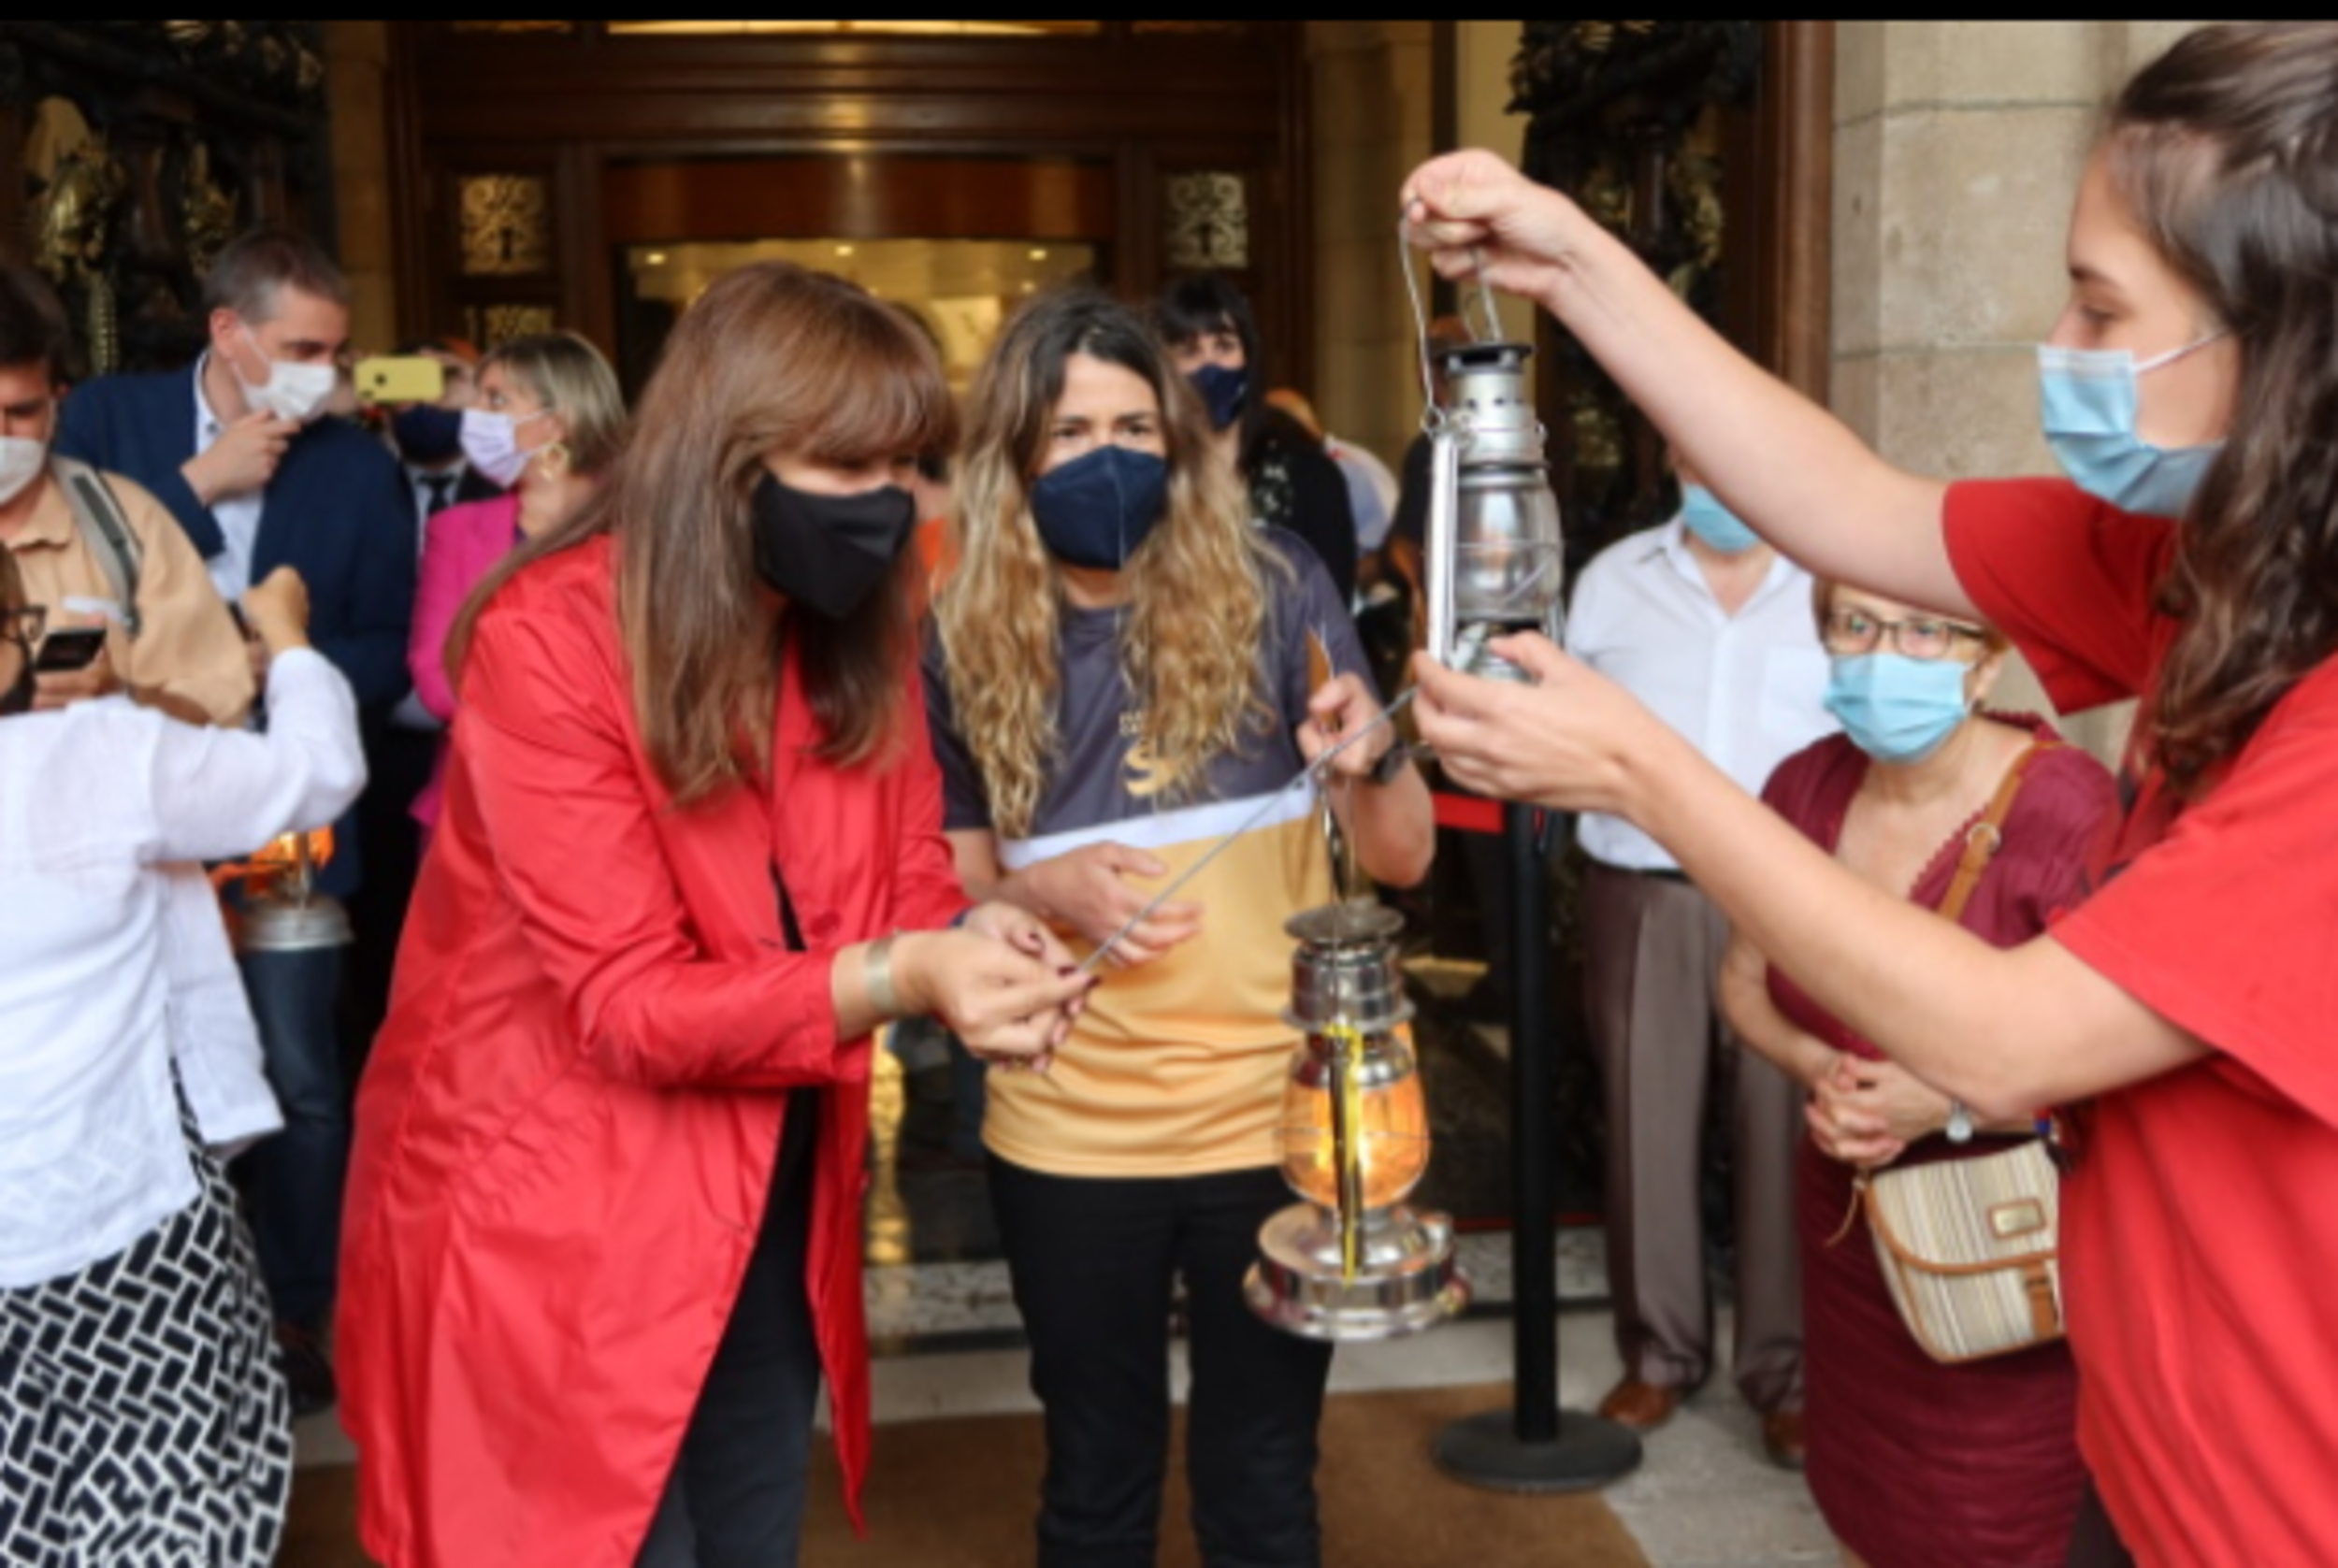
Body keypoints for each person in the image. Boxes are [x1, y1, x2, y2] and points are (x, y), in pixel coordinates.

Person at [1404, 22, 2338, 1565]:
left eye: (2104, 304)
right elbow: (1850, 500)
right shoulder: (2217, 566)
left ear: (2287, 343)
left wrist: (1640, 762)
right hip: (2152, 1445)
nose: (2059, 337)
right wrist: (1568, 262)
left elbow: (2007, 1031)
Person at [336, 261, 1091, 1568]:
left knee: (747, 1532)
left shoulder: (859, 619)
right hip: (553, 1208)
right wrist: (906, 974)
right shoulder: (550, 637)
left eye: (908, 466)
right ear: (727, 457)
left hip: (767, 1182)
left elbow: (907, 864)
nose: (891, 507)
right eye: (850, 467)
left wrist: (974, 936)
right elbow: (629, 1006)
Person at [926, 285, 1435, 1567]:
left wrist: (1368, 762)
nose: (1109, 458)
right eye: (1070, 431)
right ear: (1012, 456)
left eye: (1137, 429)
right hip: (1066, 1123)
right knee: (1094, 1471)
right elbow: (953, 874)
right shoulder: (954, 630)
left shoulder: (1279, 583)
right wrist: (1041, 889)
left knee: (1263, 1476)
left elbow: (1406, 855)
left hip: (1271, 1114)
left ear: (1180, 442)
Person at [55, 224, 416, 1417]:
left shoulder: (360, 468)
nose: (326, 370)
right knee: (137, 1082)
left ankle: (292, 1314)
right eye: (302, 347)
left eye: (339, 349)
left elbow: (380, 646)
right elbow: (50, 592)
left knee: (304, 1078)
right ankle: (154, 1321)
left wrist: (279, 674)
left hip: (284, 823)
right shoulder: (104, 424)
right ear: (228, 334)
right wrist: (200, 493)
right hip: (116, 821)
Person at [1724, 579, 2110, 1566]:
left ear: (1985, 661)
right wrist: (1828, 1073)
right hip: (1853, 1224)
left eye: (1923, 630)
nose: (1882, 652)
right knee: (1868, 1503)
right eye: (1853, 624)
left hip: (2009, 1241)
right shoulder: (1802, 789)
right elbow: (1742, 984)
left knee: (1995, 1520)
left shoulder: (2067, 808)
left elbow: (2118, 1054)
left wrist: (1942, 1098)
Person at [0, 551, 364, 1563]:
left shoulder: (96, 750)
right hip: (126, 1222)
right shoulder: (98, 758)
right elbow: (315, 775)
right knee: (162, 1496)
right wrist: (286, 640)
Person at [1564, 452, 1836, 1465]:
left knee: (1784, 1130)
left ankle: (1788, 1373)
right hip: (1645, 895)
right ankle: (1660, 1354)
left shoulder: (1828, 583)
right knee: (1646, 1119)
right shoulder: (1610, 583)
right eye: (1694, 455)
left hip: (1791, 902)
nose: (1720, 477)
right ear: (1669, 459)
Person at [0, 262, 253, 729]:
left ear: (58, 402)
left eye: (21, 412)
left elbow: (221, 702)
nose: (2, 434)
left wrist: (122, 699)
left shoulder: (126, 524)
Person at [407, 329, 625, 834]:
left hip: (602, 811)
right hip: (474, 813)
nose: (475, 415)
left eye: (497, 400)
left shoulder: (634, 525)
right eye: (478, 396)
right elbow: (436, 678)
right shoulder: (456, 530)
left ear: (557, 421)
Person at [1153, 272, 1360, 604]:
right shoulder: (1145, 475)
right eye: (1189, 350)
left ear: (1248, 357)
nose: (1210, 365)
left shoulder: (1308, 476)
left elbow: (1332, 610)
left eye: (1224, 346)